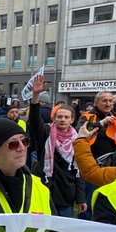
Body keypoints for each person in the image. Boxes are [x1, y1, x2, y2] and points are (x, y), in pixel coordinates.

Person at [29, 75, 86, 218]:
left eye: (66, 117)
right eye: (59, 117)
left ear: (72, 120)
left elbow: (79, 171)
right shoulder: (46, 133)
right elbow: (35, 120)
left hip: (66, 191)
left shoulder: (77, 139)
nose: (62, 119)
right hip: (46, 186)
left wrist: (81, 198)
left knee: (63, 230)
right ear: (54, 118)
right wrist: (36, 95)